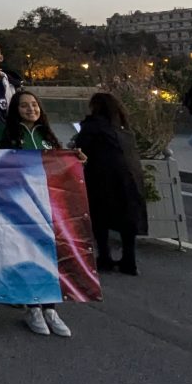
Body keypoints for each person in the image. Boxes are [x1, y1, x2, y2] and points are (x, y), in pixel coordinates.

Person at [0, 90, 75, 339]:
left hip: (47, 208)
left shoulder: (48, 136)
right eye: (24, 106)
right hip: (19, 208)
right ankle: (32, 308)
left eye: (34, 105)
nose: (30, 109)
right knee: (26, 257)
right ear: (15, 110)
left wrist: (76, 160)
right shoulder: (6, 134)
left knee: (49, 258)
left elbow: (61, 167)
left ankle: (50, 308)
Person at [75, 91, 147, 276]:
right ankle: (129, 260)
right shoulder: (124, 129)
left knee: (100, 218)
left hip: (103, 178)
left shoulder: (93, 126)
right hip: (131, 178)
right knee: (127, 220)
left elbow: (80, 149)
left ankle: (105, 257)